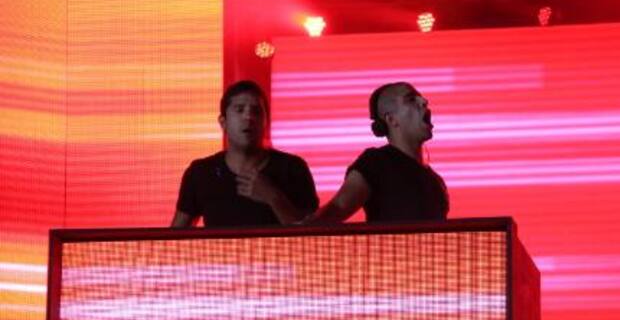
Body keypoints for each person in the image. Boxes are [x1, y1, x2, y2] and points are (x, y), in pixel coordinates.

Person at [171, 80, 318, 227]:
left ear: (266, 122)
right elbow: (175, 236)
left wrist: (273, 197)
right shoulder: (201, 173)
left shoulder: (293, 169)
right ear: (223, 122)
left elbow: (313, 233)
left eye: (256, 111)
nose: (248, 117)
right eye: (240, 110)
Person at [305, 82, 448, 223]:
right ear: (391, 119)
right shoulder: (376, 163)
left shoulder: (435, 180)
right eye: (411, 99)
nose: (424, 101)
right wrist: (300, 229)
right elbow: (339, 207)